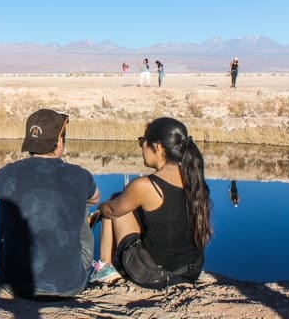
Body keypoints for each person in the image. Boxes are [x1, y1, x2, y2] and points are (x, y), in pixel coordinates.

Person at [90, 117, 211, 289]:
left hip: (153, 275)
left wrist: (100, 209)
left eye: (142, 142)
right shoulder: (196, 181)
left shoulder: (145, 186)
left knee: (113, 204)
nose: (141, 148)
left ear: (158, 147)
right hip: (191, 271)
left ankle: (104, 268)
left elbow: (111, 210)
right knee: (126, 201)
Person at [0, 109, 100, 298]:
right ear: (58, 142)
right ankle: (67, 267)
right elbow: (95, 198)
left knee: (5, 204)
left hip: (14, 284)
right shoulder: (80, 175)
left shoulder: (7, 172)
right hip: (70, 285)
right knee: (81, 204)